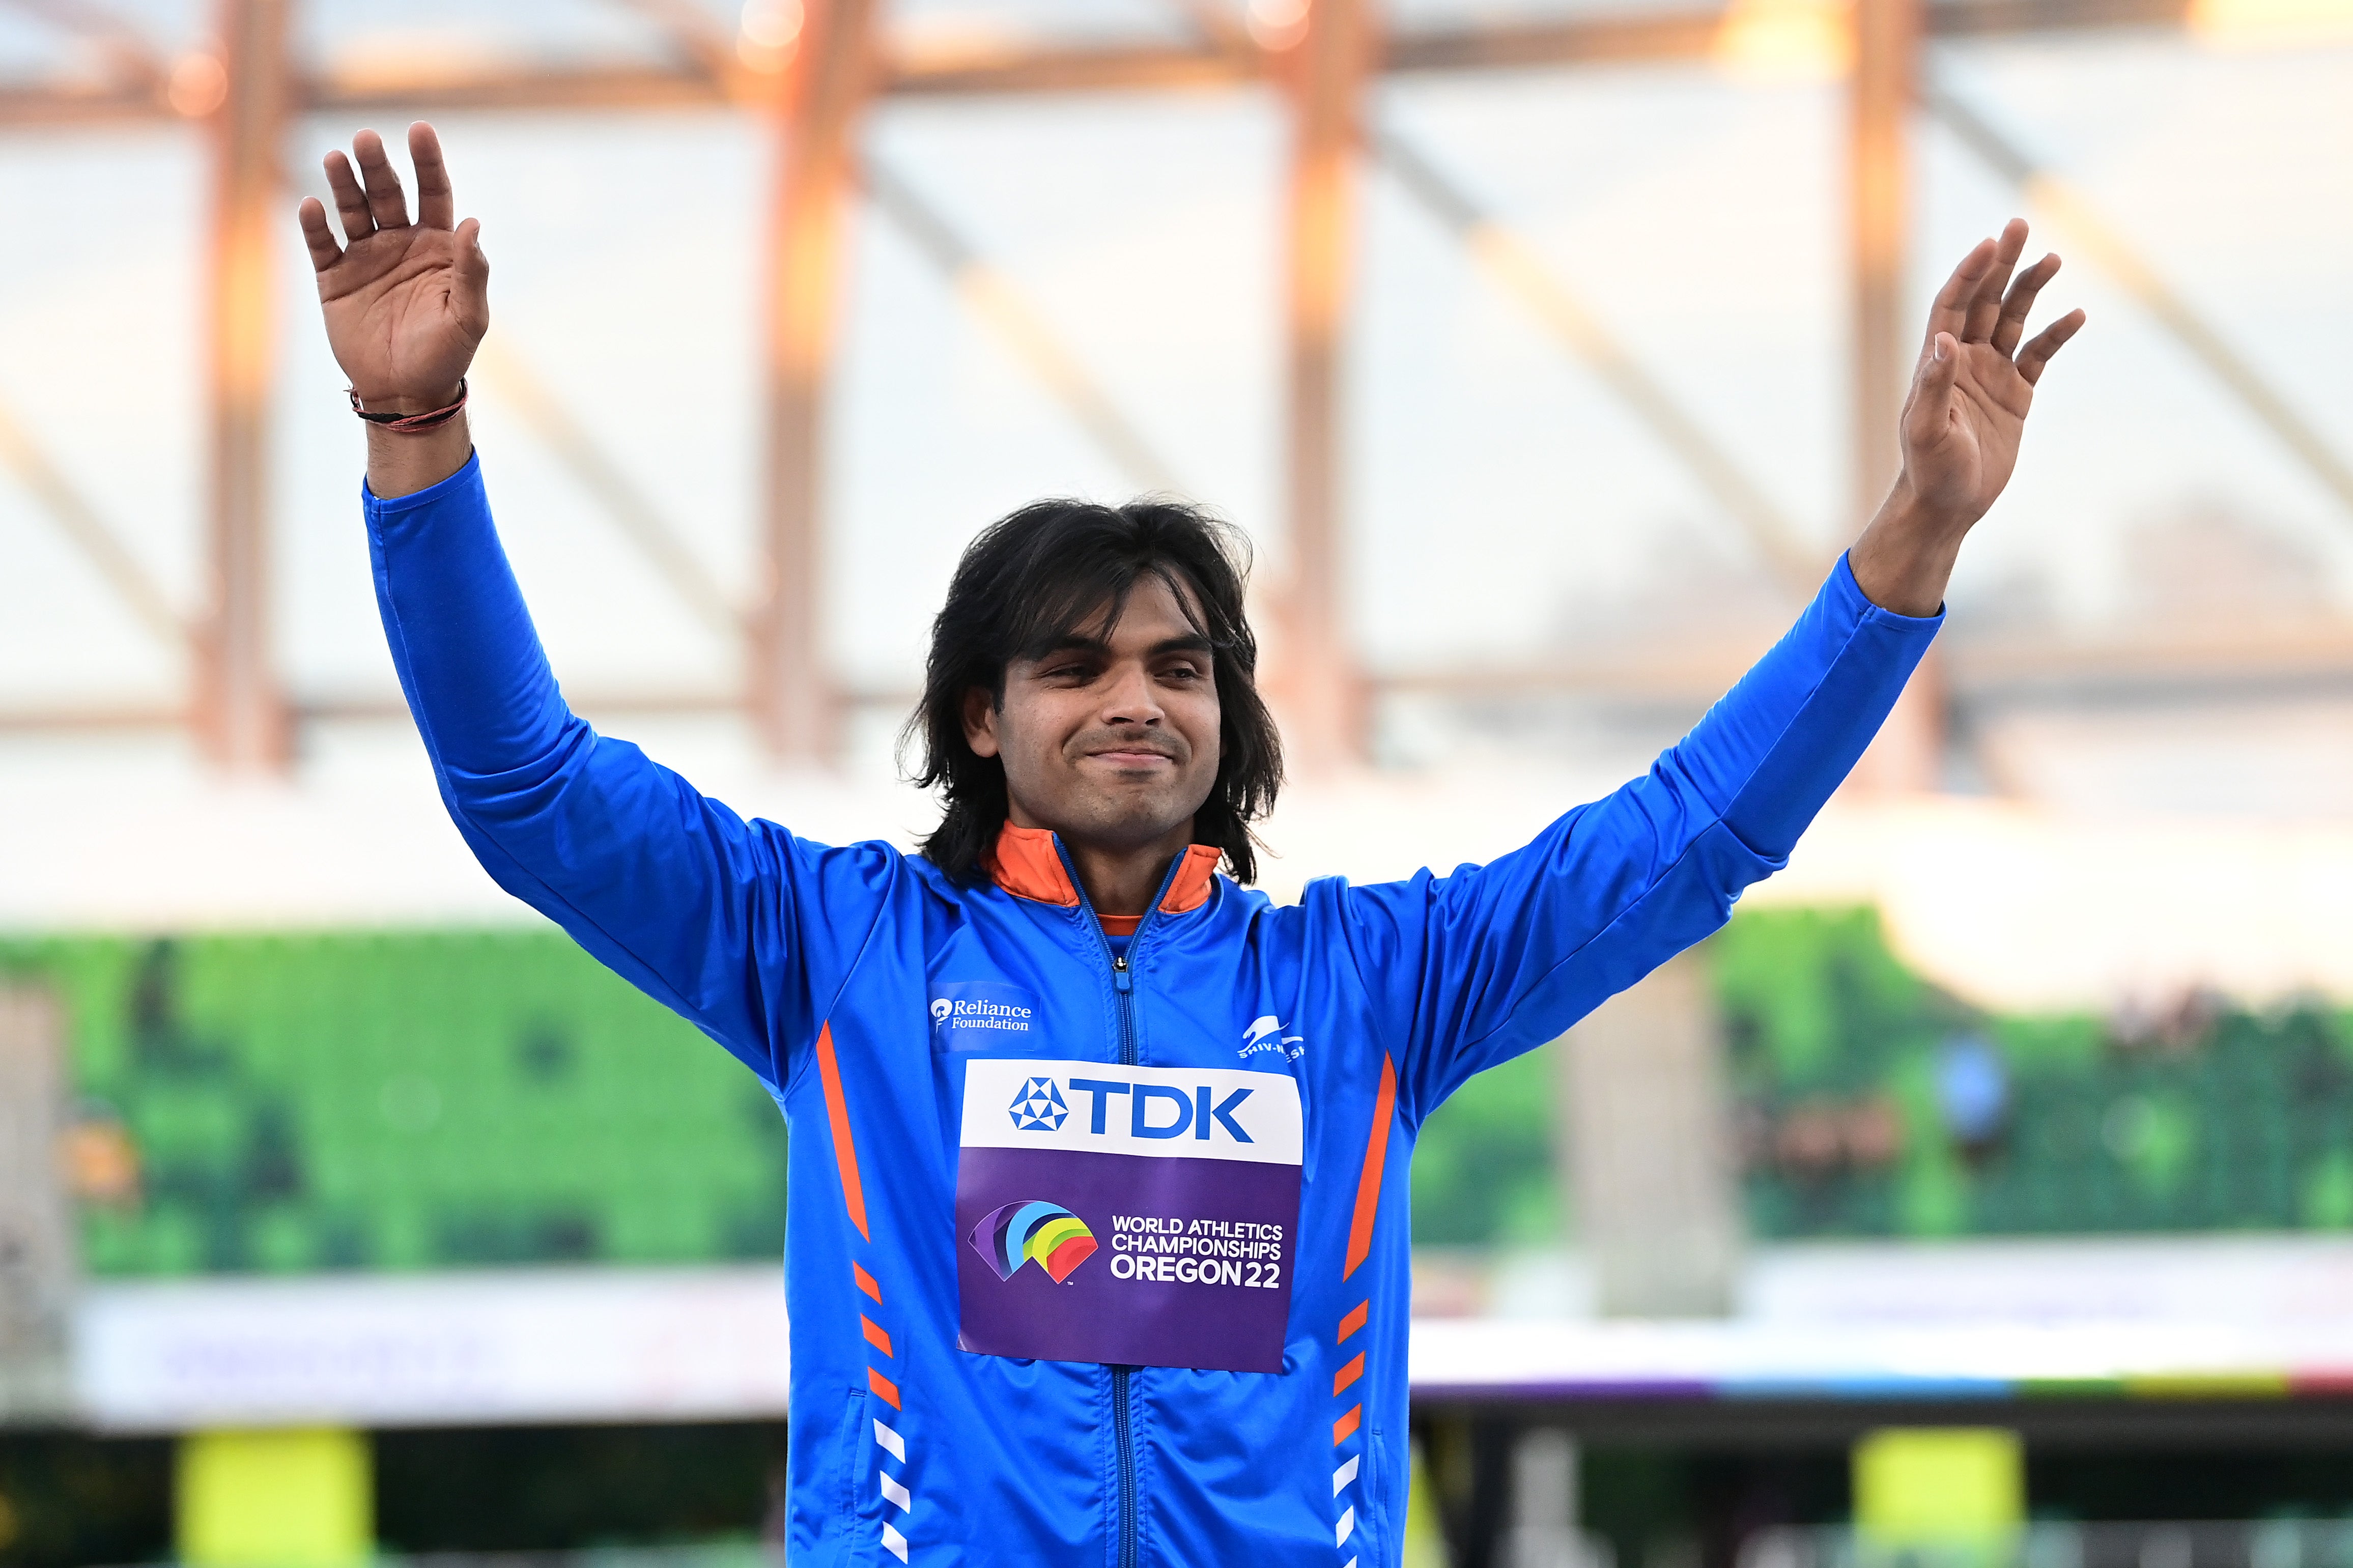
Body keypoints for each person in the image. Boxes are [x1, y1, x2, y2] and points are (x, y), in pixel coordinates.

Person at [299, 123, 2082, 1565]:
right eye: (1071, 668)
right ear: (981, 718)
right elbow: (525, 789)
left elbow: (1694, 832)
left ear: (1232, 711)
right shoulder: (834, 954)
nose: (1133, 702)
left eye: (1179, 664)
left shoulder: (1373, 984)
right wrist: (415, 432)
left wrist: (1919, 530)